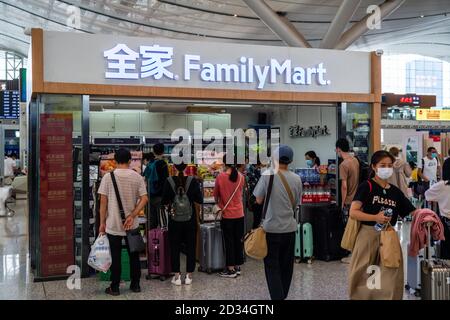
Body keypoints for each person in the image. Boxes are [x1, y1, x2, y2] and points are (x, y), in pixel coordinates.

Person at [348, 150, 416, 300]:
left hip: (389, 236)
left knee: (390, 275)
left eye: (390, 165)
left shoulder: (396, 192)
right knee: (364, 273)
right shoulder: (367, 186)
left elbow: (412, 212)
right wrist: (375, 217)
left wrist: (427, 215)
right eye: (382, 165)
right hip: (367, 235)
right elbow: (353, 212)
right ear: (374, 166)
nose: (387, 168)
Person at [253, 145, 302, 300]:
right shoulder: (297, 178)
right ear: (291, 160)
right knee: (286, 267)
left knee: (272, 267)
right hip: (289, 229)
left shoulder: (267, 175)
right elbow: (296, 204)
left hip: (271, 229)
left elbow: (258, 200)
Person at [98, 148, 149, 296]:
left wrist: (102, 222)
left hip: (113, 224)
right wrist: (132, 215)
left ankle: (114, 287)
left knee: (115, 256)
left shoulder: (108, 177)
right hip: (131, 224)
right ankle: (135, 284)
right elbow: (144, 198)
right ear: (129, 161)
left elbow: (103, 202)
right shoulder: (137, 176)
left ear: (115, 161)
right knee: (134, 256)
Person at [161, 162, 203, 286]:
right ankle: (189, 276)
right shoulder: (193, 181)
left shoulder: (168, 181)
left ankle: (177, 276)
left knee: (174, 247)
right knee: (191, 246)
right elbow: (199, 199)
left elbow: (164, 201)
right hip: (190, 220)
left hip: (174, 220)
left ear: (173, 167)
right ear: (187, 167)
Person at [213, 155, 245, 278]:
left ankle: (230, 269)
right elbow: (240, 193)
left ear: (225, 163)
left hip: (227, 215)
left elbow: (216, 195)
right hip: (239, 213)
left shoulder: (221, 177)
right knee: (238, 240)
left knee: (229, 242)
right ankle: (237, 266)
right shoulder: (241, 177)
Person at [335, 138, 359, 264]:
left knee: (348, 228)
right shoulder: (355, 160)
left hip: (349, 201)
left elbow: (344, 186)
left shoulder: (343, 165)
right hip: (357, 200)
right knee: (356, 228)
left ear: (338, 149)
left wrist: (342, 202)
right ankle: (355, 253)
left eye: (336, 149)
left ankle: (352, 255)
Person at [425, 179, 450, 259]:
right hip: (446, 223)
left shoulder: (443, 185)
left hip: (447, 222)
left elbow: (427, 195)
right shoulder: (443, 185)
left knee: (446, 255)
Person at [147, 144, 169, 230]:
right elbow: (165, 181)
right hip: (160, 196)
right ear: (163, 152)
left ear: (153, 151)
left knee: (152, 221)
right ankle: (163, 241)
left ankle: (152, 240)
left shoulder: (150, 163)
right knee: (162, 222)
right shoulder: (162, 164)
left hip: (150, 195)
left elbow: (146, 178)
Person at [247, 161, 263, 229]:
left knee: (256, 219)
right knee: (258, 220)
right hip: (258, 199)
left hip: (253, 199)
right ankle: (256, 236)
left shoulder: (250, 171)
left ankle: (255, 235)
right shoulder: (258, 172)